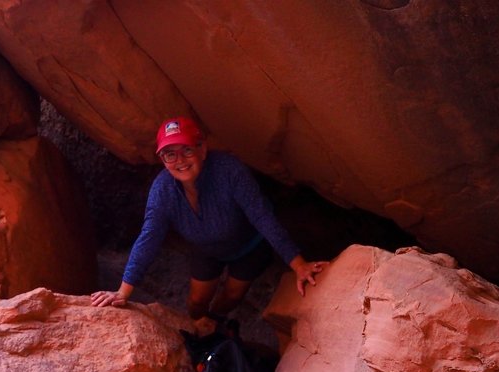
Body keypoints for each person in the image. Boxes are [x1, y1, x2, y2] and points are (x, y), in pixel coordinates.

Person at [91, 116, 327, 325]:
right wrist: (122, 292)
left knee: (232, 295)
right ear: (162, 159)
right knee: (196, 300)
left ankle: (214, 322)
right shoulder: (163, 190)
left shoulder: (229, 171)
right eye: (169, 154)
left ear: (202, 149)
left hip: (249, 246)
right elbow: (149, 238)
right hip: (207, 249)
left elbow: (262, 215)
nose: (180, 160)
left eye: (187, 150)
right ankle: (198, 328)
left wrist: (298, 265)